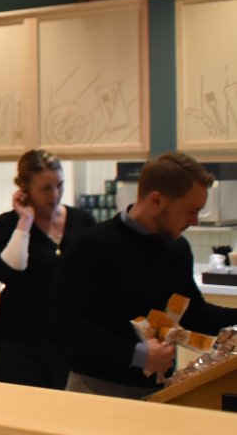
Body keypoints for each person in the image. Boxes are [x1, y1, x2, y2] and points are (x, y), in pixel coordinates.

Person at [56, 152, 237, 399]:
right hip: (94, 392)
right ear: (156, 201)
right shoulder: (90, 245)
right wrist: (136, 354)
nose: (194, 221)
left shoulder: (177, 248)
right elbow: (65, 322)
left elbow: (194, 313)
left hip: (158, 392)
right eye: (191, 211)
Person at [0, 150, 96, 390]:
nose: (55, 194)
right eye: (45, 188)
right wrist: (25, 222)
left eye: (60, 185)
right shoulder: (7, 224)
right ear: (25, 188)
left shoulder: (82, 221)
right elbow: (9, 273)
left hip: (70, 341)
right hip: (21, 343)